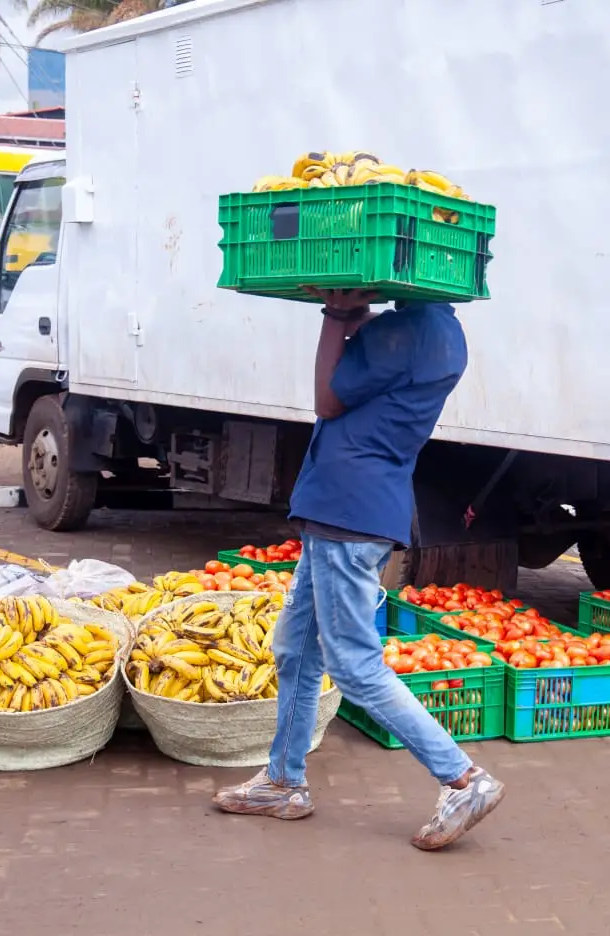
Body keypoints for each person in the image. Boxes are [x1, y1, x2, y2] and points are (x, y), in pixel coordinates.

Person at [213, 288, 506, 849]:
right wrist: (354, 317)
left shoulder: (402, 332)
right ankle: (282, 782)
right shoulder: (439, 331)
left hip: (347, 515)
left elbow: (327, 399)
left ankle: (463, 778)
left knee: (354, 665)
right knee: (296, 649)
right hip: (347, 511)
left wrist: (335, 313)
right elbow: (371, 353)